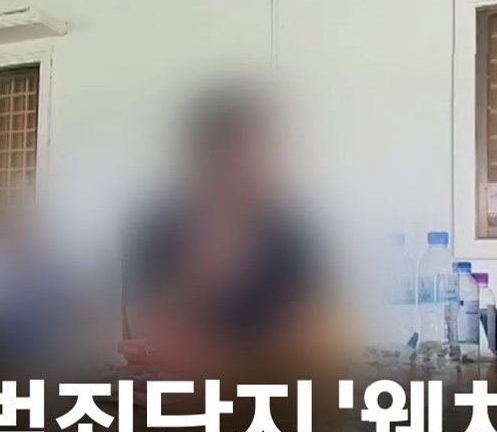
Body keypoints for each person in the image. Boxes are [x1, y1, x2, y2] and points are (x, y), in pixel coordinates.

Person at [121, 83, 344, 374]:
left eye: (262, 157)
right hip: (181, 384)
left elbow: (319, 332)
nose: (252, 171)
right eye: (237, 158)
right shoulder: (157, 227)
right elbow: (143, 335)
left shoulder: (289, 230)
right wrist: (199, 276)